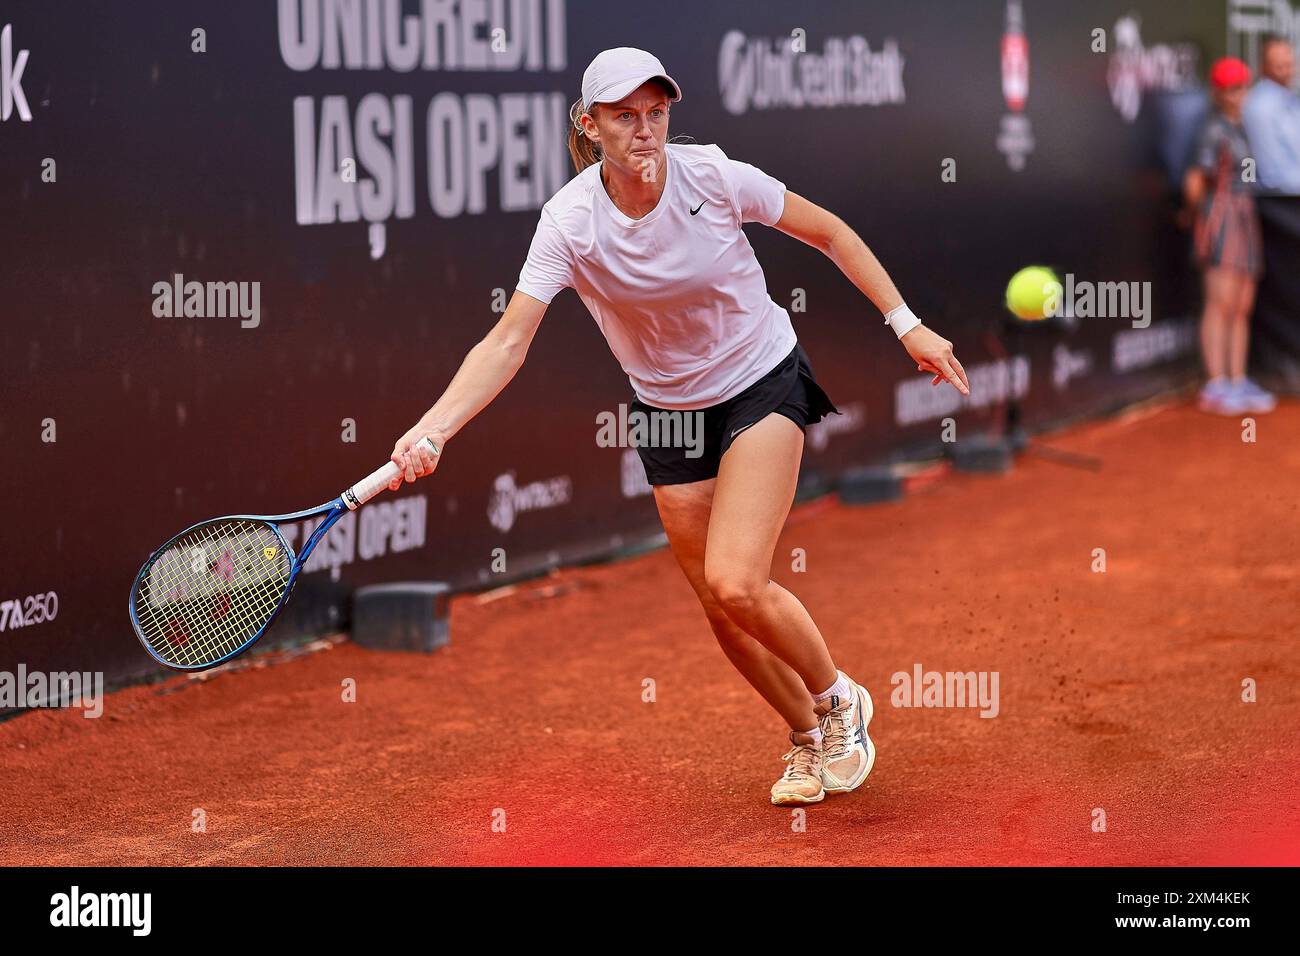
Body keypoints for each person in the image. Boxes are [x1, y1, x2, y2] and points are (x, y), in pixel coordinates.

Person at [386, 48, 970, 806]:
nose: (645, 129)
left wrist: (907, 325)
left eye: (656, 112)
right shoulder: (568, 222)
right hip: (666, 414)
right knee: (720, 609)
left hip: (761, 379)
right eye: (625, 116)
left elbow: (829, 232)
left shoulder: (713, 175)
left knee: (737, 579)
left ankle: (838, 704)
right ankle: (802, 736)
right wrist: (435, 427)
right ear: (590, 126)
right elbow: (508, 339)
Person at [1184, 57, 1274, 414]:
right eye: (1231, 88)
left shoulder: (1242, 129)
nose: (1239, 95)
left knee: (1241, 306)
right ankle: (1215, 384)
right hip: (1221, 218)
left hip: (1245, 216)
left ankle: (1237, 379)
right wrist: (1202, 218)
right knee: (1220, 303)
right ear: (1218, 93)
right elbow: (1194, 181)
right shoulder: (1213, 130)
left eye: (1242, 87)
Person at [1242, 36, 1300, 196]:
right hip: (1281, 202)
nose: (1288, 71)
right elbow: (1272, 174)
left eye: (1289, 65)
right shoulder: (1261, 106)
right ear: (1264, 68)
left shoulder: (1290, 100)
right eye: (1280, 66)